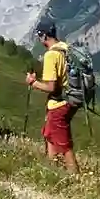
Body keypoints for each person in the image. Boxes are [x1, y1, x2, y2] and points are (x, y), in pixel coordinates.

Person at [24, 19, 78, 174]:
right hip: (70, 99)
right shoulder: (65, 48)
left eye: (39, 36)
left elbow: (50, 87)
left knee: (64, 144)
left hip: (58, 104)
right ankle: (51, 168)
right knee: (49, 134)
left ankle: (76, 178)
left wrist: (33, 82)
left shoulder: (50, 55)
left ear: (43, 36)